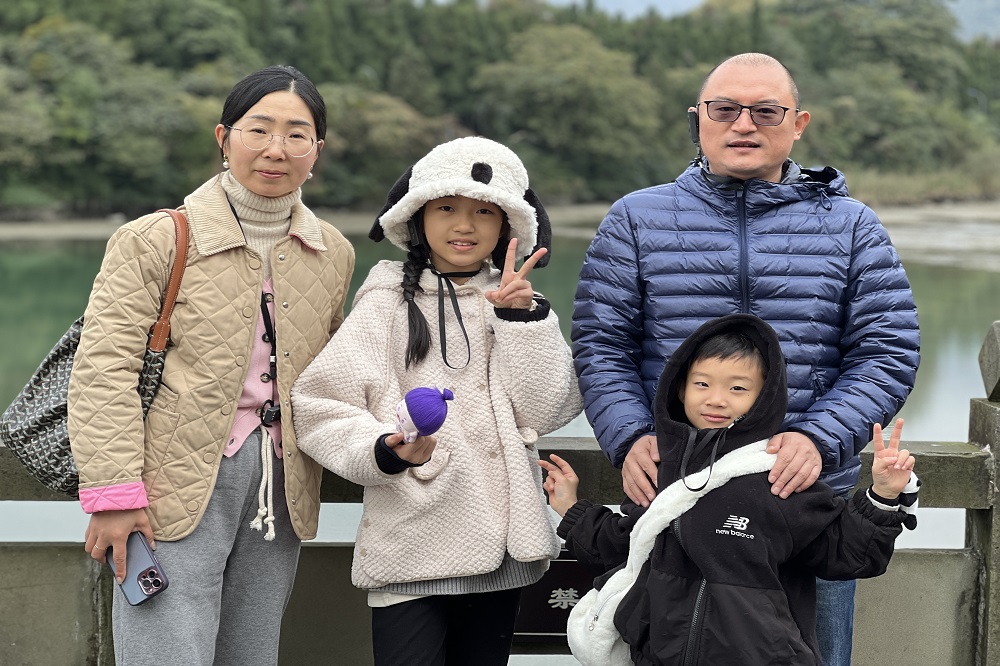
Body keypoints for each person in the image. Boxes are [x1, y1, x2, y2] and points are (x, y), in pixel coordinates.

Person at [571, 52, 920, 665]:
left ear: (798, 123)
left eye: (765, 111)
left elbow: (886, 350)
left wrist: (817, 439)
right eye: (725, 109)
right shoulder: (636, 219)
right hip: (674, 501)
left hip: (805, 507)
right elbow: (602, 345)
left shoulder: (851, 227)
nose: (743, 125)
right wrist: (629, 437)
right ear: (698, 118)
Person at [68, 65, 356, 665]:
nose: (276, 149)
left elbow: (333, 374)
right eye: (260, 129)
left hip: (281, 484)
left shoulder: (333, 251)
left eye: (297, 134)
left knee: (252, 653)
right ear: (224, 138)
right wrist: (114, 496)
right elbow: (102, 372)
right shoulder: (154, 238)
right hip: (171, 479)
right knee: (166, 651)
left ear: (317, 150)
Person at [290, 136, 583, 665]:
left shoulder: (520, 303)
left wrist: (521, 321)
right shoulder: (385, 303)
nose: (464, 225)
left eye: (484, 211)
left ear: (507, 225)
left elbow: (547, 410)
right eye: (446, 208)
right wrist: (383, 448)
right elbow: (319, 403)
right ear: (417, 216)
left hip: (502, 552)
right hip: (411, 538)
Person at [542, 314, 918, 665]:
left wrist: (882, 497)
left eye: (738, 388)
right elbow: (627, 546)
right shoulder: (661, 468)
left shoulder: (778, 474)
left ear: (764, 396)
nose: (716, 399)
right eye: (702, 384)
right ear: (679, 388)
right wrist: (571, 510)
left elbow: (847, 555)